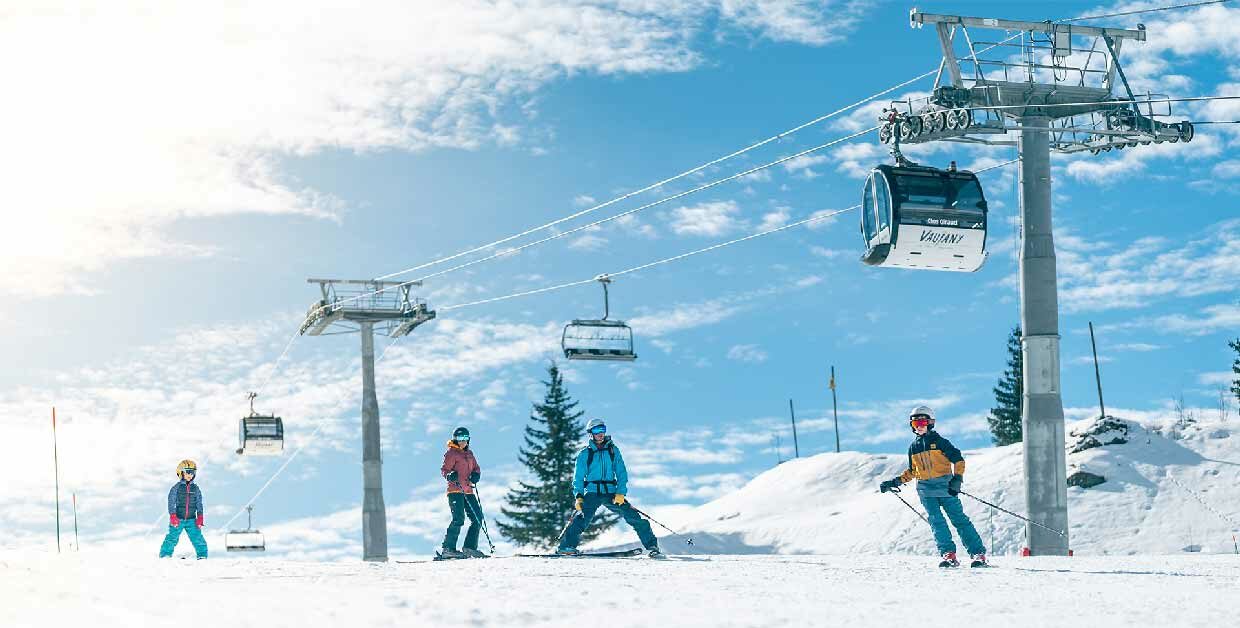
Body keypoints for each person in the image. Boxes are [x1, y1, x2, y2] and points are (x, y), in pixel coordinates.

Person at [880, 406, 986, 567]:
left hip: (946, 487)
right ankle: (948, 555)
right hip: (925, 491)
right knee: (937, 522)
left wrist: (957, 478)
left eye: (922, 422)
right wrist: (894, 482)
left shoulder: (940, 442)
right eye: (915, 423)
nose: (919, 426)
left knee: (959, 520)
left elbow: (958, 459)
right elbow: (913, 471)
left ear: (930, 423)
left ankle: (978, 553)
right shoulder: (913, 447)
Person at [557, 418, 662, 558]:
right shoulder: (585, 454)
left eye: (603, 429)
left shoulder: (613, 450)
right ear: (591, 433)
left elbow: (621, 473)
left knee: (634, 517)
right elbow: (578, 478)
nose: (600, 433)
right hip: (593, 492)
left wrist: (620, 493)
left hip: (611, 493)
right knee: (581, 518)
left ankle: (652, 547)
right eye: (596, 430)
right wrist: (579, 496)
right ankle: (566, 547)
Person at [439, 426, 486, 559]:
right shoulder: (451, 453)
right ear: (455, 439)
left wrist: (476, 475)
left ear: (468, 439)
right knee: (458, 519)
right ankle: (448, 549)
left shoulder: (469, 454)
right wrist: (449, 475)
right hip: (455, 490)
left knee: (477, 518)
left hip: (468, 491)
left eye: (465, 438)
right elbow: (444, 470)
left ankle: (469, 547)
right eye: (459, 438)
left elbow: (476, 468)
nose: (462, 441)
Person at [159, 459, 208, 559]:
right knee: (172, 537)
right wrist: (173, 515)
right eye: (188, 472)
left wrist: (200, 517)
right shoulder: (176, 488)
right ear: (181, 472)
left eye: (192, 472)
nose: (190, 474)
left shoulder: (196, 489)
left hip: (192, 520)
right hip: (178, 518)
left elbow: (199, 503)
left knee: (197, 538)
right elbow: (171, 501)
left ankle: (202, 555)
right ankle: (165, 555)